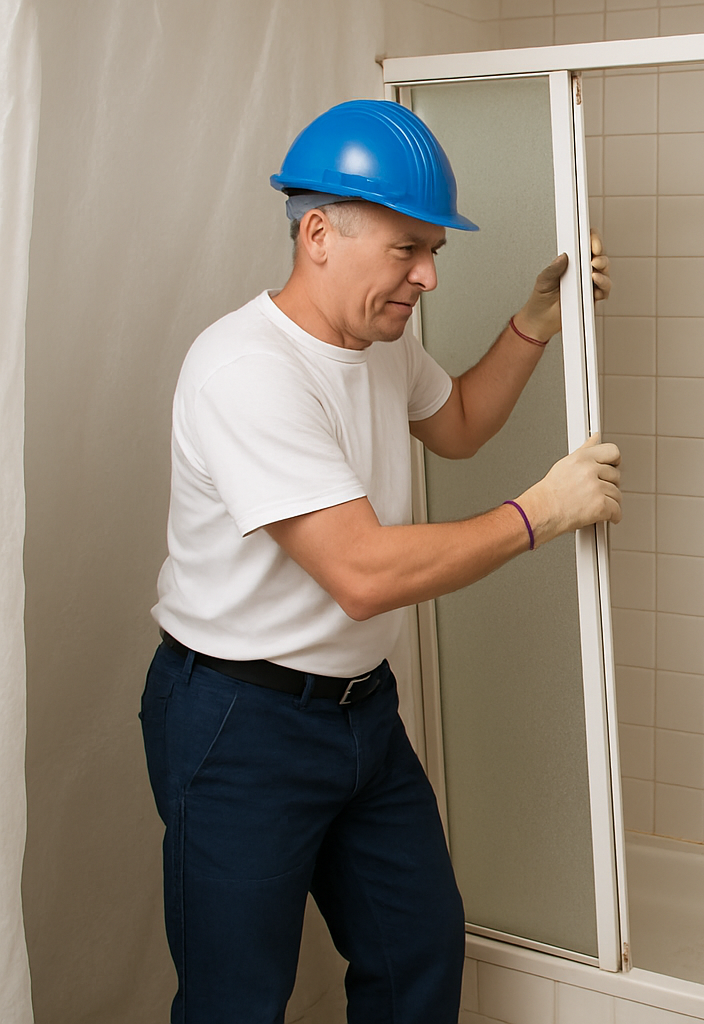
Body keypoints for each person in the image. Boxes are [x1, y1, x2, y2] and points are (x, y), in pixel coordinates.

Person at [140, 99, 618, 1023]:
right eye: (408, 250)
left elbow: (462, 428)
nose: (429, 277)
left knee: (417, 951)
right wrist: (541, 512)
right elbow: (360, 573)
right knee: (236, 1000)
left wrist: (533, 324)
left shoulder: (379, 342)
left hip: (362, 714)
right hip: (242, 723)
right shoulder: (246, 371)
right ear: (318, 233)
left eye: (433, 250)